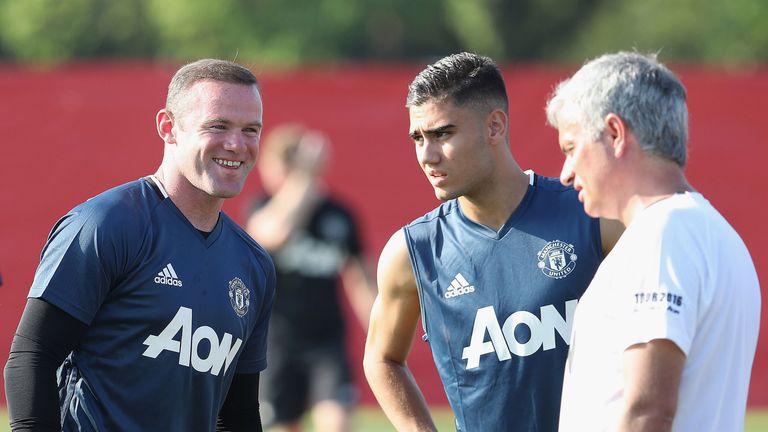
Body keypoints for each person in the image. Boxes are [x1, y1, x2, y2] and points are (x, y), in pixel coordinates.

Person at [4, 59, 276, 431]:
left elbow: (239, 412)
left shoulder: (253, 265)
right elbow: (32, 356)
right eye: (218, 125)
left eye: (251, 129)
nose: (236, 144)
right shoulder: (106, 224)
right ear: (168, 127)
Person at [363, 52, 623, 431]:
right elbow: (381, 358)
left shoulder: (594, 216)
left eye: (443, 134)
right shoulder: (412, 253)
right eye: (418, 138)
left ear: (495, 127)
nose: (427, 155)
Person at [545, 51, 761, 431]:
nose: (565, 172)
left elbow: (649, 410)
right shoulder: (711, 233)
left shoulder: (663, 236)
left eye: (571, 147)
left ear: (615, 134)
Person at [245, 123, 376, 432]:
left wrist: (379, 331)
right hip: (276, 343)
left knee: (337, 424)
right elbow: (274, 235)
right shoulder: (263, 206)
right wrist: (305, 178)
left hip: (326, 342)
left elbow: (361, 279)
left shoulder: (339, 214)